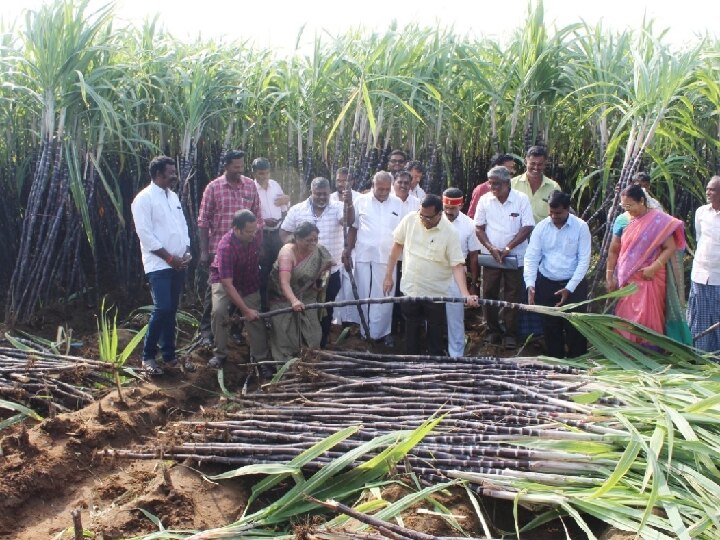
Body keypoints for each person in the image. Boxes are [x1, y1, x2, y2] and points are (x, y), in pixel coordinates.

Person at [384, 194, 480, 355]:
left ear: (439, 214)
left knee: (435, 332)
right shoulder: (410, 220)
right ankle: (410, 365)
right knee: (411, 329)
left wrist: (465, 293)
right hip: (411, 288)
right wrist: (388, 276)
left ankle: (434, 367)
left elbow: (456, 265)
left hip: (436, 292)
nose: (423, 220)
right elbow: (396, 247)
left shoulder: (450, 232)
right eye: (421, 215)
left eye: (428, 218)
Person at [131, 156, 195, 375]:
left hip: (178, 263)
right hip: (159, 264)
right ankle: (148, 356)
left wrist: (186, 250)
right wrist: (169, 258)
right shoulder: (144, 199)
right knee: (163, 307)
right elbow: (145, 236)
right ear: (158, 174)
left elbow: (183, 226)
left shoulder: (173, 196)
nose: (175, 175)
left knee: (172, 310)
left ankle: (169, 355)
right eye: (171, 172)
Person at [606, 185, 690, 344]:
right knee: (626, 317)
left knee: (648, 317)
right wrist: (609, 276)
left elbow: (670, 247)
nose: (628, 210)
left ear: (642, 201)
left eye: (630, 205)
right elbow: (613, 250)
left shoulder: (659, 221)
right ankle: (627, 352)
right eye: (624, 206)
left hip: (650, 278)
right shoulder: (622, 220)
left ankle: (651, 353)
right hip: (627, 280)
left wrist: (654, 267)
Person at [197, 150, 263, 346]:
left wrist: (259, 246)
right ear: (225, 166)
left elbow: (258, 218)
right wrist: (203, 251)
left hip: (245, 251)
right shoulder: (214, 187)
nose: (239, 170)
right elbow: (203, 220)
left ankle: (236, 330)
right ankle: (207, 333)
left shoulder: (250, 186)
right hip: (219, 249)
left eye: (242, 166)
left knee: (241, 289)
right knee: (215, 294)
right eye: (236, 167)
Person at [281, 177, 354, 347]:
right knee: (305, 308)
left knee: (326, 309)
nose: (322, 197)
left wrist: (349, 203)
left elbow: (348, 221)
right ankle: (303, 344)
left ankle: (321, 344)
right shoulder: (297, 210)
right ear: (311, 192)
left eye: (325, 194)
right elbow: (284, 233)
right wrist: (298, 243)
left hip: (330, 273)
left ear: (330, 193)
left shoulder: (338, 207)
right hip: (303, 273)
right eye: (318, 194)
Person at [524, 191, 591, 358]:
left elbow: (584, 261)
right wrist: (530, 284)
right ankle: (557, 363)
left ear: (567, 209)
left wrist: (569, 288)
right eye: (551, 212)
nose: (554, 216)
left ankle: (578, 365)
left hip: (573, 286)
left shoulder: (581, 227)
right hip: (547, 283)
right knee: (550, 327)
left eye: (558, 213)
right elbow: (531, 257)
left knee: (575, 327)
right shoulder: (541, 227)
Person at [207, 210, 274, 376]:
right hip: (225, 281)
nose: (253, 235)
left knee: (255, 318)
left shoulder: (255, 236)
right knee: (219, 311)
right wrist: (245, 310)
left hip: (249, 280)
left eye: (255, 231)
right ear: (236, 229)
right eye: (249, 232)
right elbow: (228, 285)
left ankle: (261, 359)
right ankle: (220, 354)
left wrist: (250, 310)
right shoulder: (226, 247)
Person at [475, 165, 534, 349]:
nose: (493, 188)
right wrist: (491, 248)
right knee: (489, 292)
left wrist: (509, 248)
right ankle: (493, 331)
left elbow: (527, 226)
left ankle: (510, 333)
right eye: (490, 183)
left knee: (513, 293)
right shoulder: (485, 200)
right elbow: (478, 227)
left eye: (497, 184)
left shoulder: (521, 199)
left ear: (508, 183)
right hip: (491, 255)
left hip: (514, 255)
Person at [345, 171, 403, 344]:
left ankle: (382, 333)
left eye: (387, 189)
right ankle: (365, 331)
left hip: (388, 258)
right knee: (364, 294)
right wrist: (347, 251)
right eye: (380, 188)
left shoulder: (398, 203)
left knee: (385, 296)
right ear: (373, 185)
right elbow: (352, 227)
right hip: (364, 255)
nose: (384, 192)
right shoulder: (360, 201)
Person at [268, 222, 334, 362]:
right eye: (308, 240)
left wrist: (320, 282)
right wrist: (294, 300)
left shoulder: (318, 250)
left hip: (308, 296)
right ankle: (286, 365)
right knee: (285, 335)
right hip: (282, 299)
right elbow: (284, 282)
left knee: (313, 332)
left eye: (315, 239)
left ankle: (310, 361)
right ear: (297, 239)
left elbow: (326, 267)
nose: (313, 243)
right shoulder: (287, 254)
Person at [442, 188, 482, 357]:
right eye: (446, 208)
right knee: (433, 313)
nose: (449, 212)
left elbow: (473, 256)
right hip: (433, 272)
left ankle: (456, 355)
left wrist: (473, 284)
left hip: (457, 274)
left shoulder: (469, 225)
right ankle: (433, 350)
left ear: (461, 205)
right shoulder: (433, 219)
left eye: (453, 209)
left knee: (455, 316)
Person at [687, 176, 720, 352]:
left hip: (718, 277)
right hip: (700, 273)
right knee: (699, 316)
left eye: (713, 189)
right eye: (707, 188)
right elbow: (700, 238)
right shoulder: (701, 212)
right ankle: (698, 354)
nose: (708, 192)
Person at [253, 157, 289, 311]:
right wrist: (263, 221)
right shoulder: (250, 188)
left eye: (267, 173)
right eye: (261, 173)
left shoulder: (275, 185)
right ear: (254, 173)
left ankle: (278, 303)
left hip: (277, 234)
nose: (264, 177)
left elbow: (284, 205)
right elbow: (248, 213)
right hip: (260, 235)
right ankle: (263, 307)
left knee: (279, 267)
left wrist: (287, 200)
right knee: (263, 271)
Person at [390, 170, 421, 336]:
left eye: (406, 183)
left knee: (406, 295)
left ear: (411, 185)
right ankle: (392, 331)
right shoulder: (387, 201)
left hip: (409, 259)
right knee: (391, 296)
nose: (402, 185)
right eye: (399, 182)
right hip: (390, 259)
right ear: (394, 183)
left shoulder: (417, 204)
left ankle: (406, 331)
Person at [330, 167, 361, 325]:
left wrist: (348, 248)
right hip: (333, 249)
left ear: (352, 182)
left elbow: (355, 225)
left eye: (345, 180)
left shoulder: (359, 198)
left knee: (349, 286)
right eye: (339, 180)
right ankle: (336, 320)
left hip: (352, 249)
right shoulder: (329, 198)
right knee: (335, 286)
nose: (341, 184)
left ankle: (349, 321)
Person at [511, 146, 561, 224]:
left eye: (540, 164)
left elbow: (558, 214)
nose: (536, 167)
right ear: (525, 162)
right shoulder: (512, 184)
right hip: (517, 234)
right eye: (532, 163)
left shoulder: (554, 187)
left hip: (544, 234)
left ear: (545, 164)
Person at [467, 153, 517, 219]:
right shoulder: (482, 190)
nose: (512, 171)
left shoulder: (515, 186)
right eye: (509, 168)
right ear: (496, 168)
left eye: (513, 167)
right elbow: (472, 216)